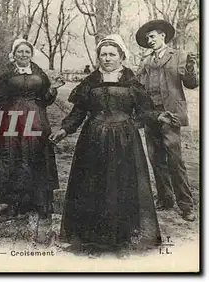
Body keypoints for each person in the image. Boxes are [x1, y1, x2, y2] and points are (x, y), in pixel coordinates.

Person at [49, 34, 172, 258]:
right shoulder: (90, 83)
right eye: (103, 54)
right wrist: (64, 129)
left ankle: (122, 238)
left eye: (111, 54)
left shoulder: (132, 82)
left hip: (125, 140)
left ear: (122, 57)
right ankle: (93, 239)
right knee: (92, 186)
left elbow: (143, 111)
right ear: (98, 57)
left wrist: (158, 116)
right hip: (93, 140)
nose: (107, 58)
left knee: (122, 186)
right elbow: (78, 112)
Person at [0, 40, 63, 223]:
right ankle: (14, 203)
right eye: (19, 51)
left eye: (26, 51)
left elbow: (45, 99)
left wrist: (52, 90)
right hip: (11, 120)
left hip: (36, 119)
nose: (23, 54)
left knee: (37, 156)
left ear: (31, 54)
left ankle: (41, 202)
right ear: (14, 54)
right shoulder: (6, 75)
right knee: (12, 157)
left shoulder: (39, 74)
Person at [135, 20, 198, 221]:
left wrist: (190, 67)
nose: (149, 40)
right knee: (156, 159)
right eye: (147, 39)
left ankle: (186, 205)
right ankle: (165, 199)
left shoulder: (178, 56)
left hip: (170, 116)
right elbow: (137, 87)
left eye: (152, 36)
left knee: (175, 160)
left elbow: (191, 84)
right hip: (150, 116)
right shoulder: (145, 62)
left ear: (163, 36)